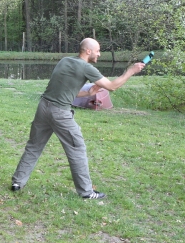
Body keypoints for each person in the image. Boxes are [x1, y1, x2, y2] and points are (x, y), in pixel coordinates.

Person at [11, 38, 146, 199]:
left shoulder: (65, 61)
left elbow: (63, 91)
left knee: (34, 146)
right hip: (60, 113)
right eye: (97, 51)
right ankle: (86, 192)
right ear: (88, 51)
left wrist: (88, 93)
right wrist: (131, 71)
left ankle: (17, 182)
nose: (99, 54)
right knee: (77, 149)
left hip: (43, 107)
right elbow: (112, 86)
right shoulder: (86, 67)